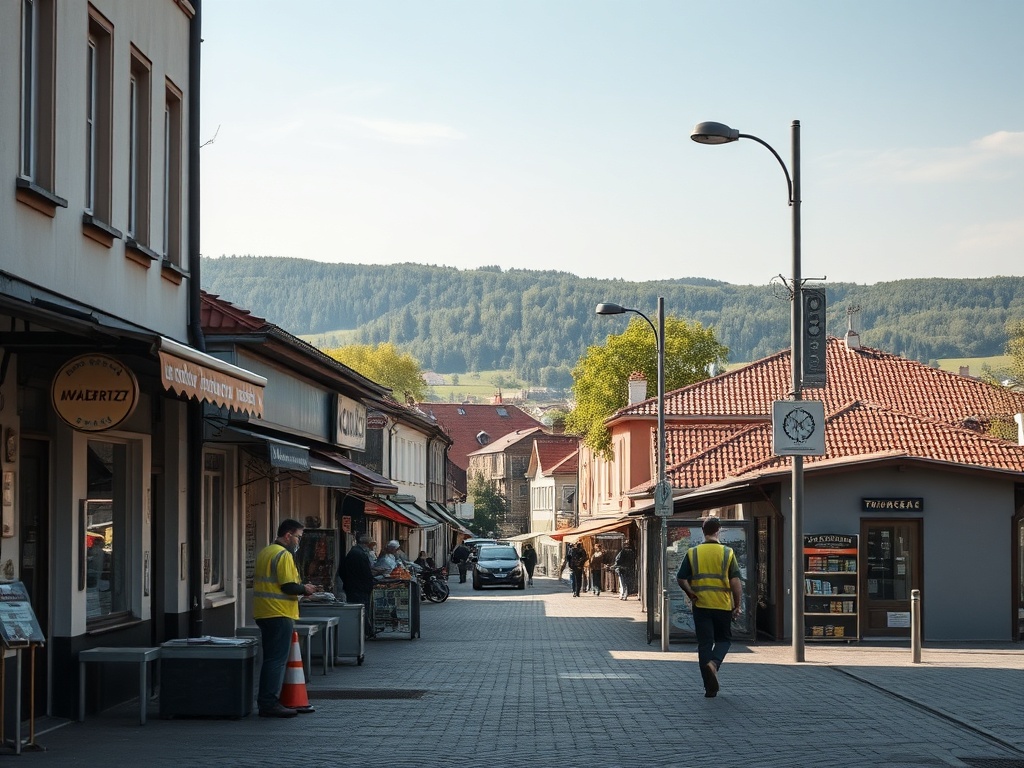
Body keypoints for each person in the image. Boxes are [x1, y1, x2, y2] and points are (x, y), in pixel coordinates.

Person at [253, 518, 318, 718]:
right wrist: (305, 589)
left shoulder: (266, 551)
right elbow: (288, 586)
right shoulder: (283, 555)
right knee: (276, 660)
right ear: (288, 535)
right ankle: (269, 703)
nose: (299, 541)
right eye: (298, 537)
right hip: (279, 612)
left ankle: (268, 700)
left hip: (264, 612)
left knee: (271, 659)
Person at [676, 517, 743, 698]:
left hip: (701, 605)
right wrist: (737, 605)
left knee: (704, 644)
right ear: (718, 531)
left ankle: (710, 688)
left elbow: (681, 578)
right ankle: (714, 664)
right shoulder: (727, 553)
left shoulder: (693, 553)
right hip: (722, 605)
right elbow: (735, 582)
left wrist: (691, 594)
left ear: (703, 531)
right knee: (723, 640)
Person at [339, 533, 376, 639]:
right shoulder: (359, 554)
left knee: (360, 609)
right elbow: (365, 572)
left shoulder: (355, 552)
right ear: (366, 544)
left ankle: (364, 631)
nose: (371, 547)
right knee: (361, 610)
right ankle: (363, 631)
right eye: (370, 545)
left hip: (354, 586)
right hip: (359, 588)